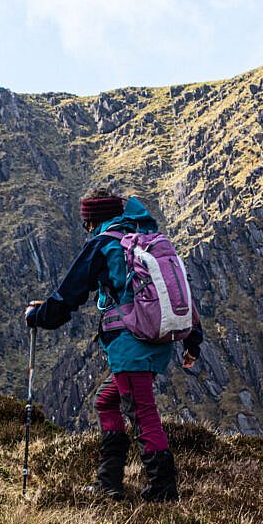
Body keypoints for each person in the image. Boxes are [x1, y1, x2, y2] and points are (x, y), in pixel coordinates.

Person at [25, 189, 203, 502]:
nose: (87, 229)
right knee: (107, 402)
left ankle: (163, 490)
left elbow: (69, 294)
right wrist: (193, 340)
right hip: (156, 338)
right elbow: (177, 292)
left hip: (130, 341)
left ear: (94, 218)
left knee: (142, 411)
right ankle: (108, 482)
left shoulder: (104, 243)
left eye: (87, 222)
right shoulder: (146, 237)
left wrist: (39, 316)